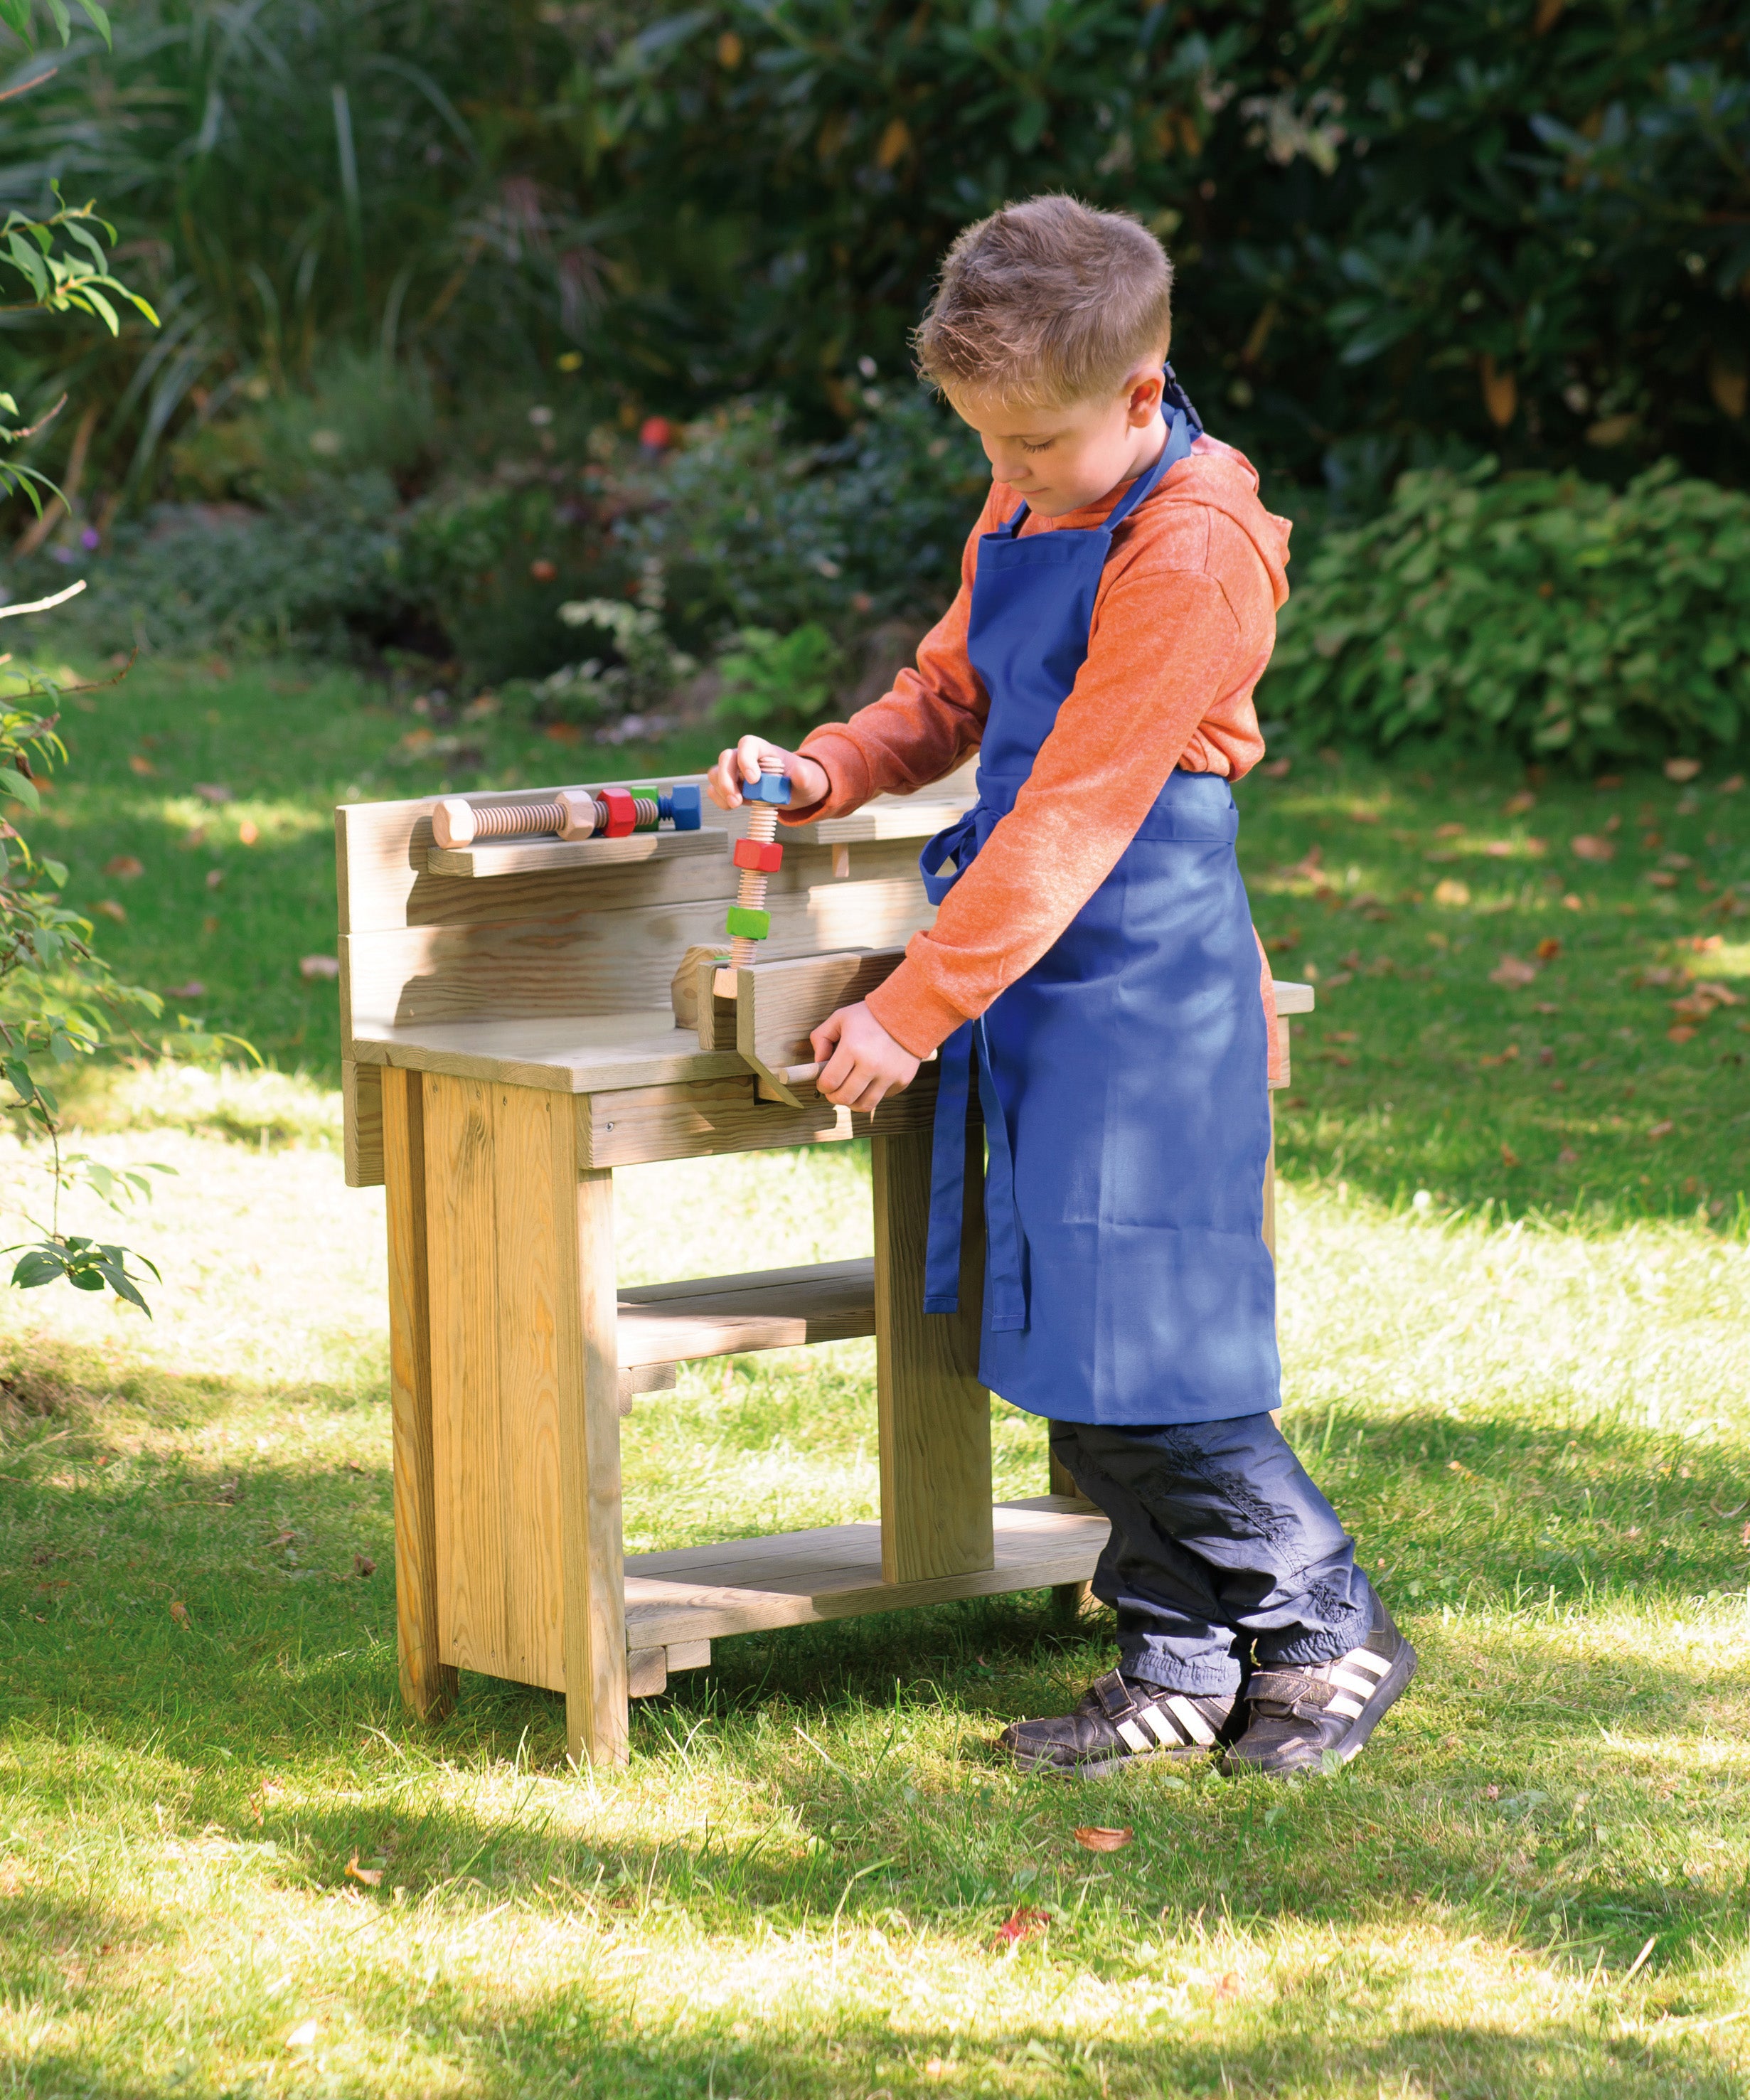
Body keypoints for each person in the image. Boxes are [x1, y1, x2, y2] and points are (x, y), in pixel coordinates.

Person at [705, 194, 1414, 1780]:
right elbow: (949, 691)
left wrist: (909, 1008)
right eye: (983, 446)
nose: (1002, 479)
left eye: (1027, 446)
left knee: (1156, 1347)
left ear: (1142, 395)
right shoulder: (1030, 499)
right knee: (1076, 1344)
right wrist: (823, 771)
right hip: (1029, 967)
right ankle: (1175, 1652)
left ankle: (1325, 1617)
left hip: (1141, 977)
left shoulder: (1196, 543)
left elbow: (1082, 807)